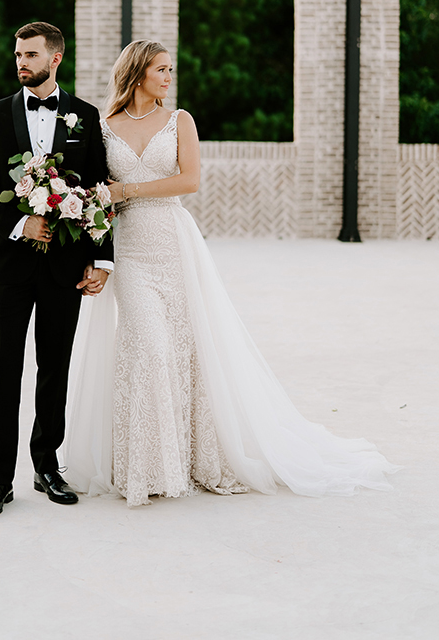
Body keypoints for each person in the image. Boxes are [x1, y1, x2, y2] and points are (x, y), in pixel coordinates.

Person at [61, 40, 399, 507]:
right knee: (148, 348)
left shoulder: (180, 121)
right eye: (161, 69)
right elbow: (97, 191)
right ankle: (144, 466)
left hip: (174, 244)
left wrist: (127, 189)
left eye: (170, 69)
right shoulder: (103, 128)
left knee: (183, 350)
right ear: (137, 73)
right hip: (131, 250)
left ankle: (185, 459)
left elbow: (189, 181)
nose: (168, 77)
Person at [0, 22, 114, 518]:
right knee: (5, 368)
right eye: (17, 54)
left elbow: (98, 192)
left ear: (55, 59)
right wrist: (19, 222)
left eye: (30, 54)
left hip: (65, 268)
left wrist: (102, 257)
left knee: (55, 366)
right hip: (8, 267)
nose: (20, 61)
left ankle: (47, 465)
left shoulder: (85, 117)